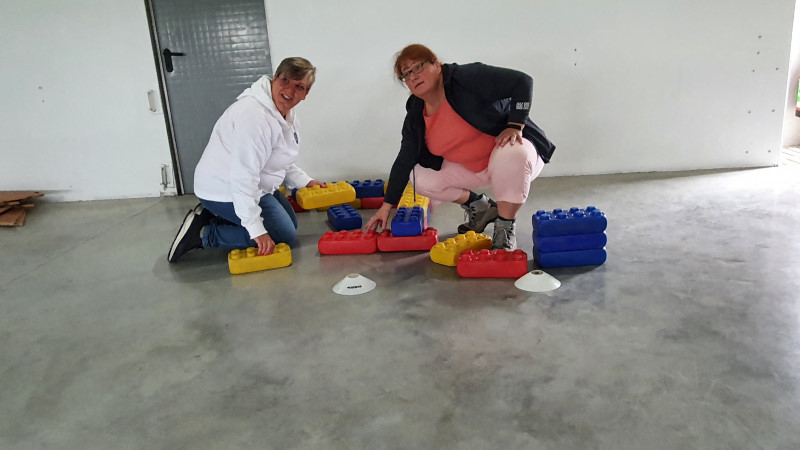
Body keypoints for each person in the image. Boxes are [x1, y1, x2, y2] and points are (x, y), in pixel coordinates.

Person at [364, 44, 556, 250]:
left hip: (516, 157)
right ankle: (480, 206)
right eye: (407, 74)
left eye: (418, 67)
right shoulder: (416, 111)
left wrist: (515, 125)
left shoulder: (465, 77)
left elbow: (523, 81)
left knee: (510, 152)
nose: (413, 76)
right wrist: (387, 206)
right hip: (477, 169)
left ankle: (505, 226)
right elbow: (405, 158)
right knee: (419, 176)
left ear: (436, 64)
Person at [168, 57, 325, 263]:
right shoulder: (255, 117)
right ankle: (201, 234)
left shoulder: (286, 115)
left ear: (305, 94)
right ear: (274, 79)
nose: (289, 90)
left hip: (255, 185)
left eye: (299, 87)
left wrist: (305, 181)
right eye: (285, 80)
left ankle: (218, 217)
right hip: (224, 188)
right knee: (283, 235)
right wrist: (256, 229)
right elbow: (243, 175)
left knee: (290, 225)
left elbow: (279, 159)